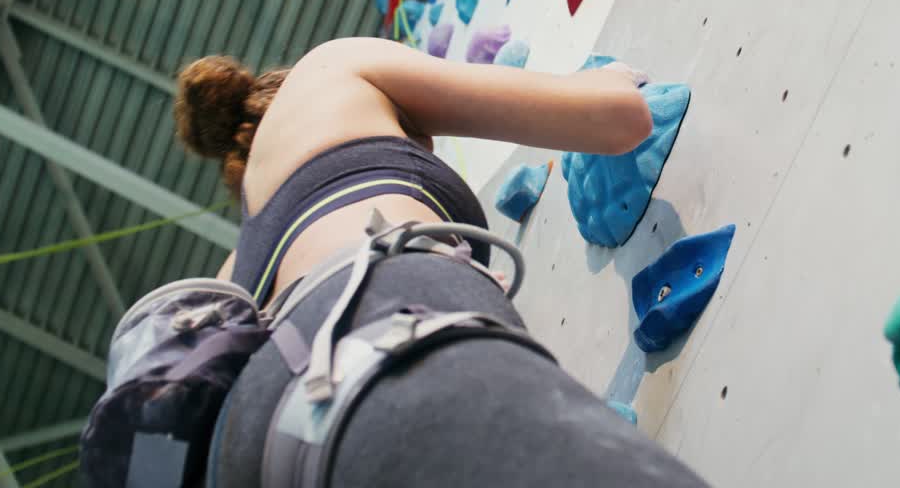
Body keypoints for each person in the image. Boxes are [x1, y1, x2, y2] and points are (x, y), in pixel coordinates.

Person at [173, 38, 708, 487]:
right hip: (378, 360)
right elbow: (618, 119)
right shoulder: (328, 71)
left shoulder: (241, 257)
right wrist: (609, 80)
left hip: (248, 452)